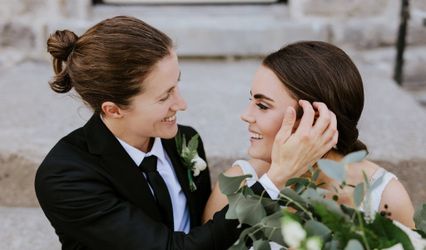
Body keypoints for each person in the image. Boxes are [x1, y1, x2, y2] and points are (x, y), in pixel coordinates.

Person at [35, 17, 337, 249]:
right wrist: (276, 179)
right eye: (165, 96)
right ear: (113, 109)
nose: (181, 103)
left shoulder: (183, 140)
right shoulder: (65, 176)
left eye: (177, 84)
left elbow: (209, 231)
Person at [203, 41, 415, 228]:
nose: (246, 115)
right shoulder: (237, 184)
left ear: (314, 119)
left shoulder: (385, 197)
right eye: (252, 101)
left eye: (263, 105)